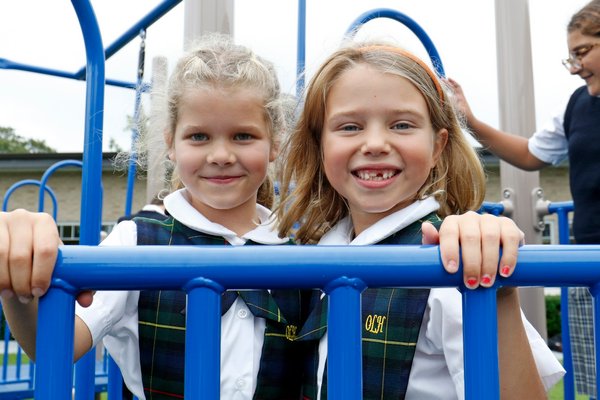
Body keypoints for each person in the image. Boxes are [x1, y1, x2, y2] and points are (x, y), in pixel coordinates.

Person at [0, 34, 305, 400]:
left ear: (274, 143)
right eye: (199, 137)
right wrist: (16, 286)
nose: (221, 154)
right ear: (171, 143)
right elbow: (57, 348)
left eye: (243, 136)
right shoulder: (135, 241)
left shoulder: (301, 249)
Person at [276, 42, 565, 399]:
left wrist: (501, 297)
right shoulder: (316, 254)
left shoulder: (450, 260)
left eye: (401, 124)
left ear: (437, 147)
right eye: (350, 127)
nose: (376, 143)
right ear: (320, 146)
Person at [447, 0, 600, 395]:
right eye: (571, 57)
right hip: (590, 263)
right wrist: (472, 122)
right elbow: (531, 154)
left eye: (583, 52)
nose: (577, 66)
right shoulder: (577, 105)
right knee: (594, 375)